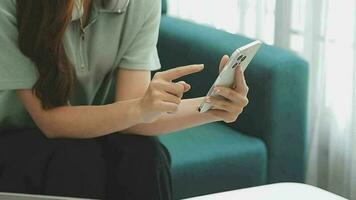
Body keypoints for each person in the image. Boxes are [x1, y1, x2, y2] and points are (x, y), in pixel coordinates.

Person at [0, 0, 249, 199]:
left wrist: (212, 107)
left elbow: (137, 115)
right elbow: (51, 121)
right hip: (15, 135)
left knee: (145, 155)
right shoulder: (11, 5)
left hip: (97, 127)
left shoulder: (138, 3)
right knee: (77, 161)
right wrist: (140, 108)